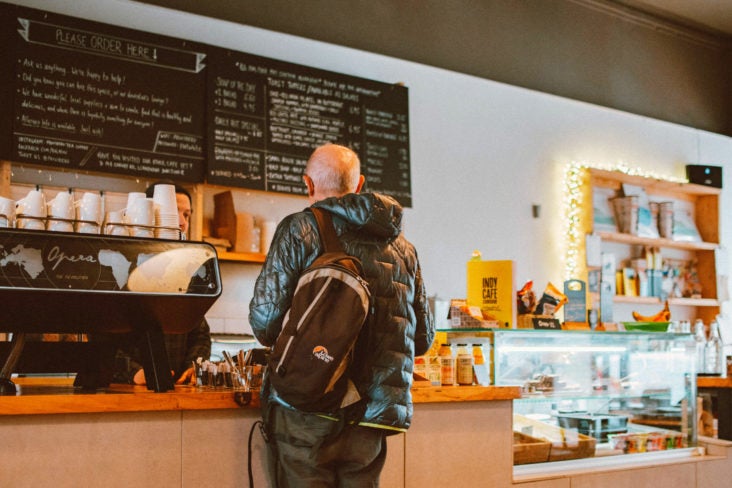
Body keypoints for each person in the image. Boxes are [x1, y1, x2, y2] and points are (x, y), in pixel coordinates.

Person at [249, 143, 434, 487]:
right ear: (359, 184)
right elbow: (422, 339)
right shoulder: (404, 248)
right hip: (374, 415)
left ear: (308, 184)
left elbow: (265, 322)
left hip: (309, 404)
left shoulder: (300, 229)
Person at [113, 181, 211, 385]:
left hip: (174, 390)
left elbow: (199, 334)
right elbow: (103, 337)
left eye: (187, 215)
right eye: (174, 212)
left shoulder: (185, 270)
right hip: (124, 391)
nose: (183, 222)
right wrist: (134, 372)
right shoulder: (121, 266)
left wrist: (193, 366)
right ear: (149, 214)